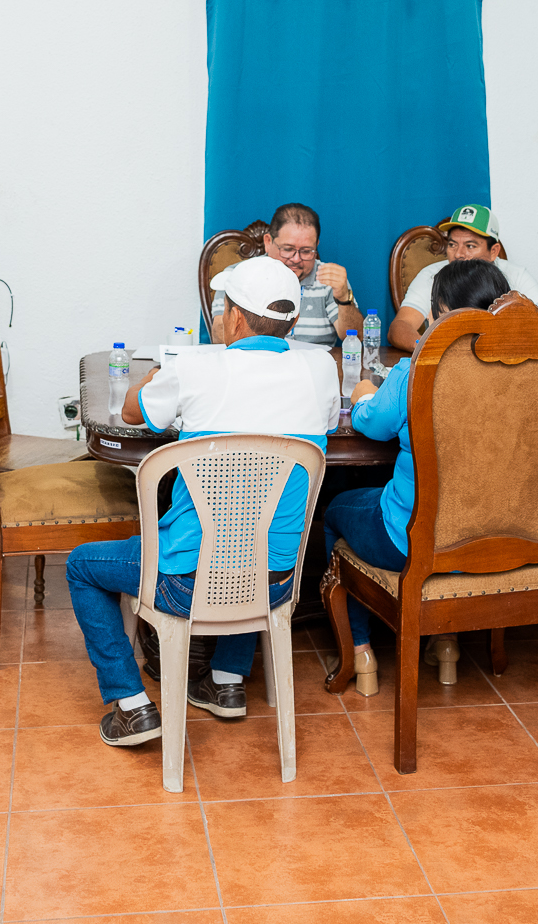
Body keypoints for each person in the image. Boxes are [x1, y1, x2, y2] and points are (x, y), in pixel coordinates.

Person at [66, 255, 337, 747]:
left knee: (82, 565)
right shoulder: (321, 368)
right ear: (293, 320)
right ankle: (226, 681)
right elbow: (329, 421)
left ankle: (130, 704)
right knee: (254, 533)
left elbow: (132, 413)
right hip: (276, 583)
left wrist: (154, 380)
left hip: (183, 585)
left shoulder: (194, 367)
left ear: (235, 318)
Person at [325, 260, 513, 695]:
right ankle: (445, 642)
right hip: (498, 540)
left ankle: (360, 652)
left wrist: (364, 394)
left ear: (440, 311)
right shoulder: (531, 375)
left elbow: (372, 425)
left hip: (411, 542)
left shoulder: (417, 369)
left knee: (334, 511)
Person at [387, 205, 538, 350]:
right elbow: (401, 326)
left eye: (470, 246)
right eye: (452, 244)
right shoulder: (431, 275)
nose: (458, 254)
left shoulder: (515, 274)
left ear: (494, 251)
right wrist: (425, 349)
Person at [208, 202, 358, 346]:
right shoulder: (237, 275)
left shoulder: (329, 278)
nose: (296, 259)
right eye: (287, 249)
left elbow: (354, 338)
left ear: (316, 246)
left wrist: (344, 299)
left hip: (313, 362)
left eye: (306, 251)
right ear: (268, 242)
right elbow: (220, 337)